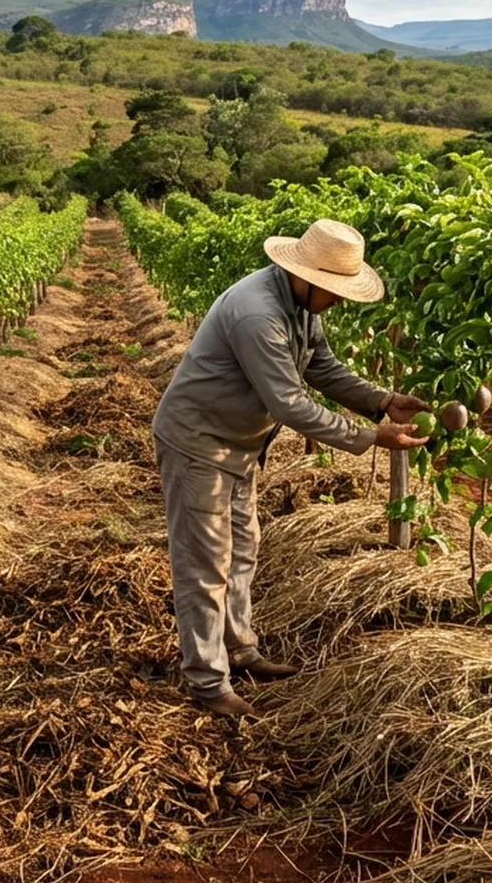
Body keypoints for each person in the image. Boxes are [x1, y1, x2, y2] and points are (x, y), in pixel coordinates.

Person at [150, 218, 431, 718]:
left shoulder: (299, 304)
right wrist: (370, 437)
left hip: (236, 446)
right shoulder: (257, 314)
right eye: (334, 291)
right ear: (305, 276)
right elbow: (289, 404)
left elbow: (321, 367)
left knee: (241, 551)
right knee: (205, 563)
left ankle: (240, 650)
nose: (339, 301)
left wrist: (382, 400)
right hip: (200, 444)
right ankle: (208, 682)